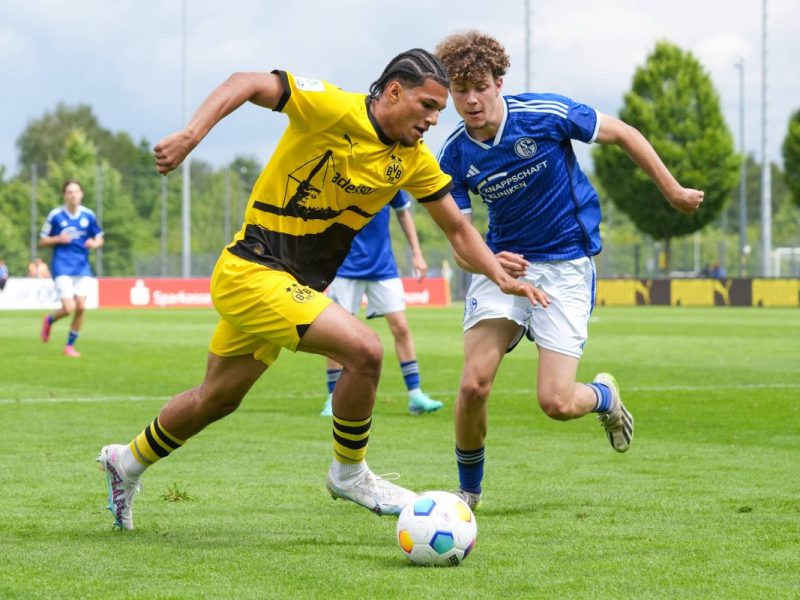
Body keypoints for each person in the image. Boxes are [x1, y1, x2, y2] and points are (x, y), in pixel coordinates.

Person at [96, 49, 549, 530]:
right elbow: (246, 81)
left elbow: (457, 229)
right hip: (251, 270)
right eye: (427, 106)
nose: (435, 119)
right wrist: (191, 135)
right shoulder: (331, 107)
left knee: (217, 398)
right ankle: (350, 473)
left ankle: (126, 462)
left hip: (288, 285)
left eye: (439, 110)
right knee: (365, 350)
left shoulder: (412, 160)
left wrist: (498, 275)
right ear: (394, 92)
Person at [435, 31, 704, 510]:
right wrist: (489, 262)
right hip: (503, 268)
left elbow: (623, 133)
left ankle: (603, 396)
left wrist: (673, 191)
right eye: (460, 89)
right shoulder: (454, 154)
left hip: (565, 265)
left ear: (499, 83)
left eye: (480, 86)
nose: (471, 99)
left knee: (557, 403)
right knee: (473, 385)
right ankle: (467, 494)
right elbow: (460, 243)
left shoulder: (544, 114)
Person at [320, 189, 443, 417]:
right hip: (346, 268)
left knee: (401, 328)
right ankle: (332, 398)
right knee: (337, 334)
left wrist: (417, 253)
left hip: (383, 268)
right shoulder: (343, 179)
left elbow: (404, 214)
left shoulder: (390, 179)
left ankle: (415, 395)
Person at [39, 180, 104, 357]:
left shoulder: (88, 215)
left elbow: (100, 238)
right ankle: (49, 319)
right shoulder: (55, 215)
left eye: (76, 191)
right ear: (64, 195)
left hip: (82, 266)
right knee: (69, 308)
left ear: (81, 194)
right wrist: (57, 239)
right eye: (69, 192)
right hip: (62, 265)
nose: (73, 195)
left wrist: (94, 243)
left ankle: (69, 346)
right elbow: (42, 240)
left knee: (81, 307)